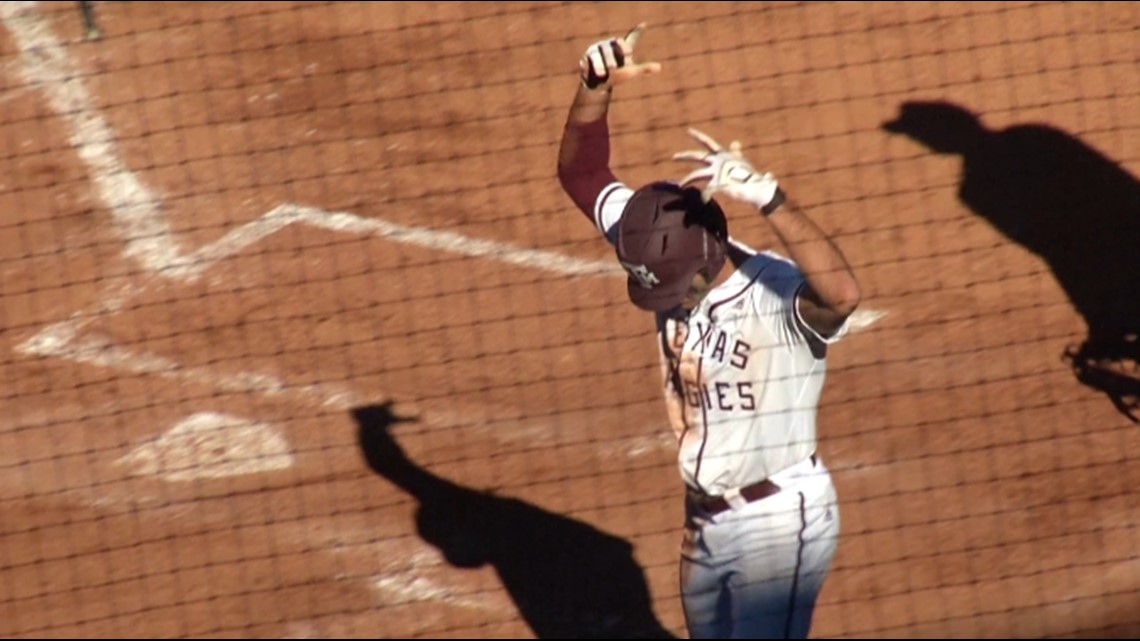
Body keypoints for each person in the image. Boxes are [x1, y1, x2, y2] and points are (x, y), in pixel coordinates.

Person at [556, 24, 862, 639]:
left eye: (677, 290)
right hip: (704, 520)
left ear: (710, 254)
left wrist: (771, 198)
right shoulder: (654, 237)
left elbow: (844, 297)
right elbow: (582, 174)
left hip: (779, 522)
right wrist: (594, 86)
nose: (669, 303)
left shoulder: (774, 294)